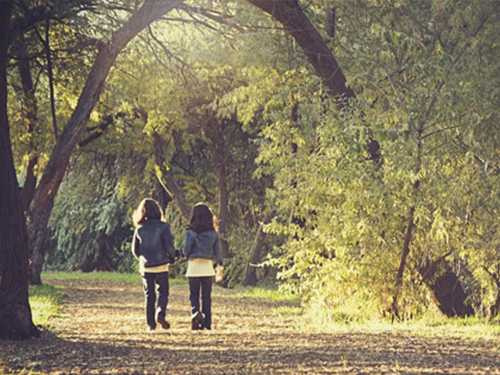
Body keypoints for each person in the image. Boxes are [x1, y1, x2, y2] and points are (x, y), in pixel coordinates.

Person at [132, 198, 177, 332]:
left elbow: (135, 250)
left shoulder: (139, 229)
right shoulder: (164, 227)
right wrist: (172, 256)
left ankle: (150, 325)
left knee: (149, 295)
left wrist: (143, 258)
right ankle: (160, 313)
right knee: (163, 292)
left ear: (142, 212)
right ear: (158, 211)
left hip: (146, 267)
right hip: (161, 265)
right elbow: (168, 246)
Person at [182, 203, 223, 330]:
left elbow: (186, 249)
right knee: (206, 296)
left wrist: (183, 255)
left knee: (194, 294)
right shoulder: (213, 234)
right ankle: (207, 323)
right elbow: (218, 253)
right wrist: (219, 267)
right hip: (207, 268)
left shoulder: (190, 232)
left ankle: (195, 313)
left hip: (194, 267)